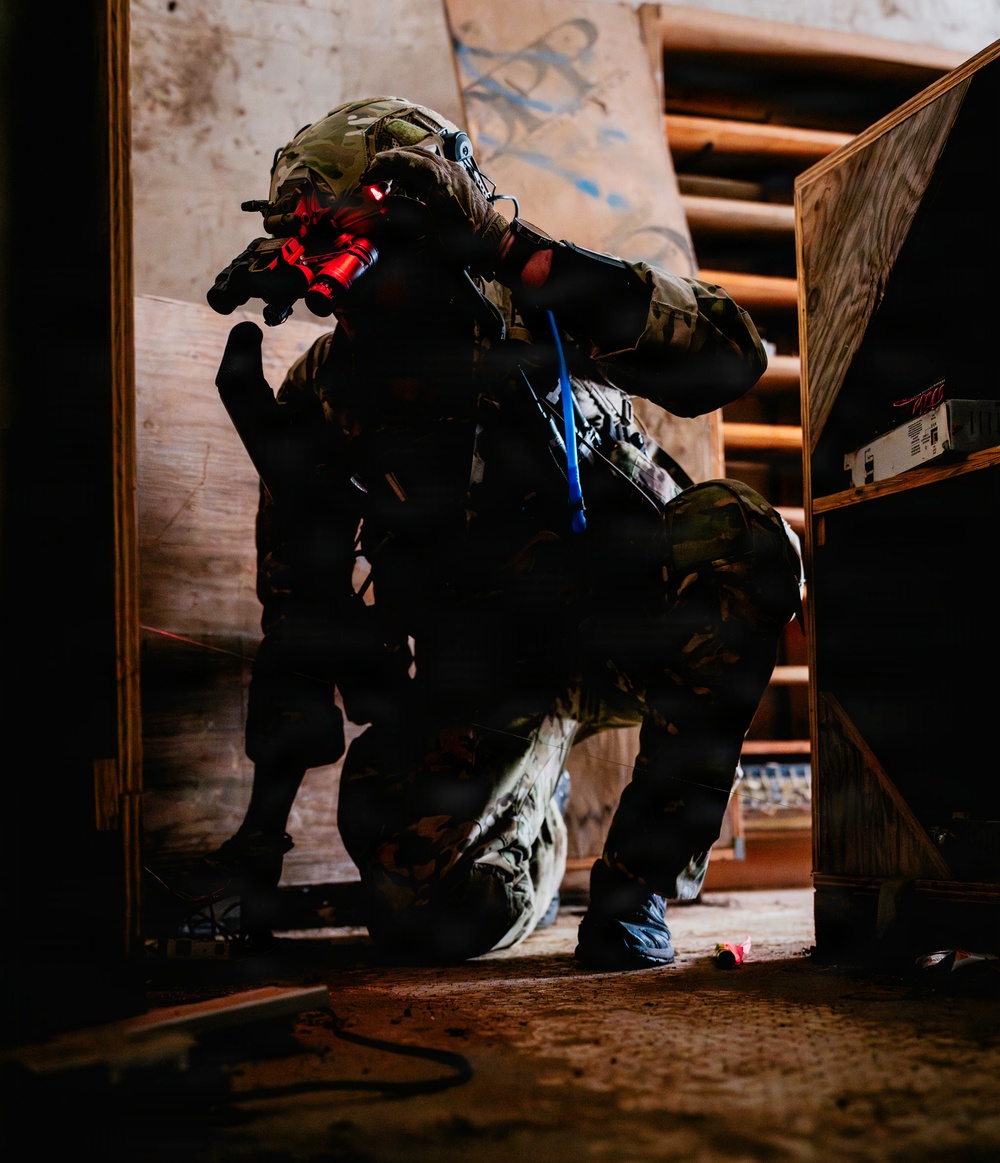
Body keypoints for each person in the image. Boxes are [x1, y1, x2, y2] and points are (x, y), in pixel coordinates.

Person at [197, 95, 804, 970]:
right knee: (431, 917)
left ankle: (635, 889)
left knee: (745, 537)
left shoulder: (542, 303)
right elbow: (298, 611)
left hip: (627, 626)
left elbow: (733, 352)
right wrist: (260, 841)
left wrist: (503, 242)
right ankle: (531, 810)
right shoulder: (329, 392)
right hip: (489, 675)